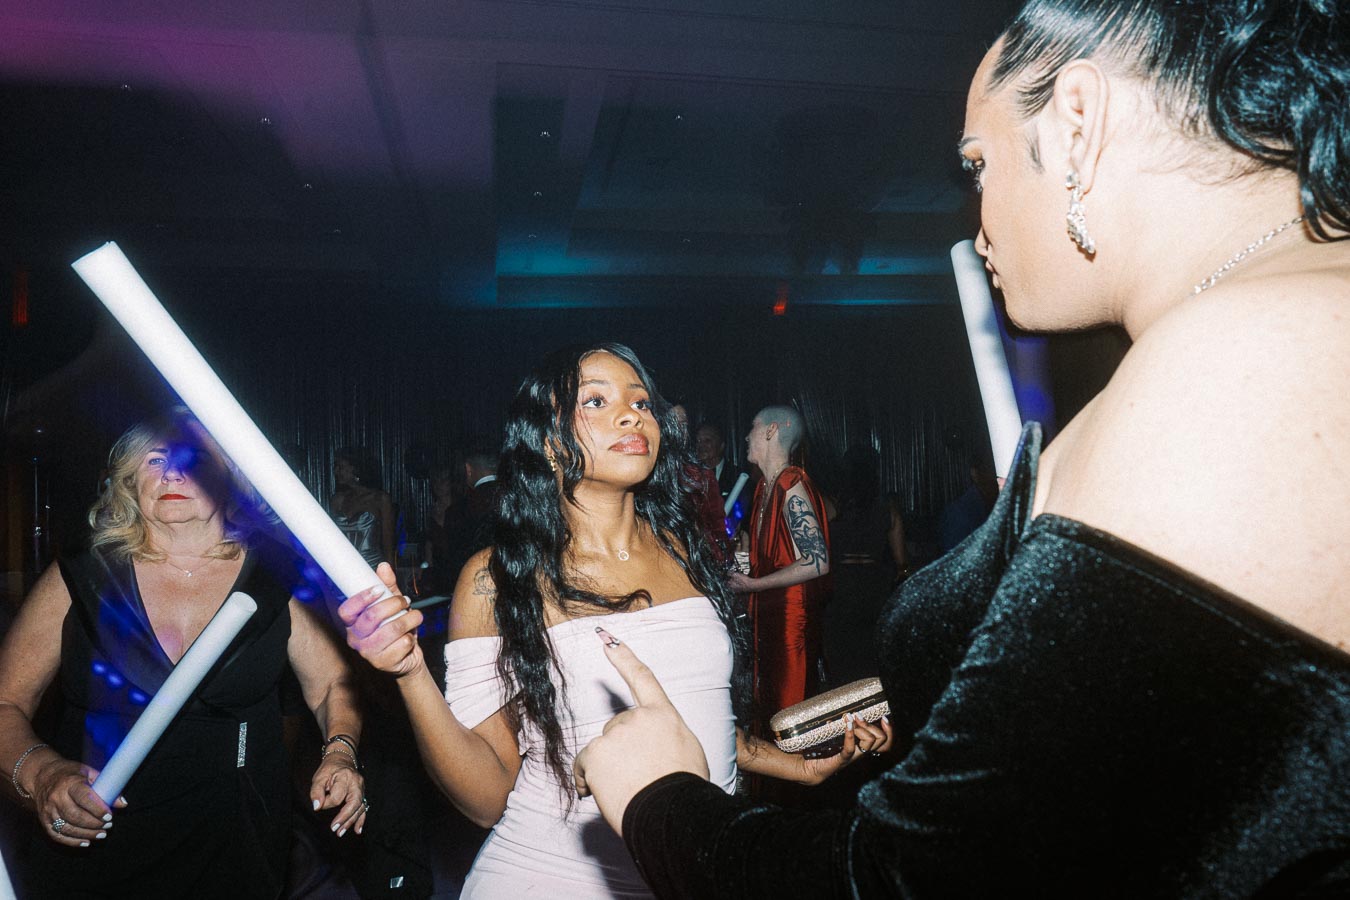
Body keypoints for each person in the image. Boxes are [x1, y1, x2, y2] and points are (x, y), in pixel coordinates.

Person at [573, 1, 1350, 895]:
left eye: (976, 165)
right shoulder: (1273, 328)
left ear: (1079, 122)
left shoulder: (1240, 362)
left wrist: (661, 798)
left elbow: (911, 883)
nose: (975, 218)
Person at [339, 344, 889, 898]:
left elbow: (695, 715)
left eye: (642, 402)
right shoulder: (497, 578)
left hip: (694, 866)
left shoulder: (684, 551)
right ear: (548, 442)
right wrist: (410, 673)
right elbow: (484, 800)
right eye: (596, 401)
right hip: (556, 876)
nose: (632, 414)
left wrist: (794, 767)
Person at [0, 408, 368, 899]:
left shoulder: (276, 576)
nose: (171, 472)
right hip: (98, 835)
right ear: (130, 480)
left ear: (232, 476)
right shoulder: (84, 576)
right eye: (154, 460)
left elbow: (330, 686)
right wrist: (43, 775)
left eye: (190, 459)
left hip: (236, 841)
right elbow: (5, 702)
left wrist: (340, 753)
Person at [728, 405, 832, 740]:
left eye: (753, 427)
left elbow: (817, 560)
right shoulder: (762, 488)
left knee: (790, 722)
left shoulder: (791, 482)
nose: (747, 435)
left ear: (773, 431)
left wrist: (755, 583)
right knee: (767, 720)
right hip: (767, 624)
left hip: (790, 628)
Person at [332, 447, 396, 570]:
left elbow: (388, 542)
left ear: (355, 468)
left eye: (341, 467)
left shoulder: (380, 498)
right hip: (342, 568)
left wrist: (390, 570)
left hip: (371, 567)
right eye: (336, 466)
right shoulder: (337, 500)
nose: (336, 471)